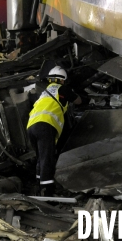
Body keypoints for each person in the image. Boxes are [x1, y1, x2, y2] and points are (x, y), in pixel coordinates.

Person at [26, 66, 82, 196]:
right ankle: (47, 193)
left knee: (41, 158)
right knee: (47, 160)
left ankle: (38, 187)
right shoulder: (62, 89)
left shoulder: (45, 92)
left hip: (31, 126)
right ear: (62, 80)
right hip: (45, 126)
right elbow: (78, 101)